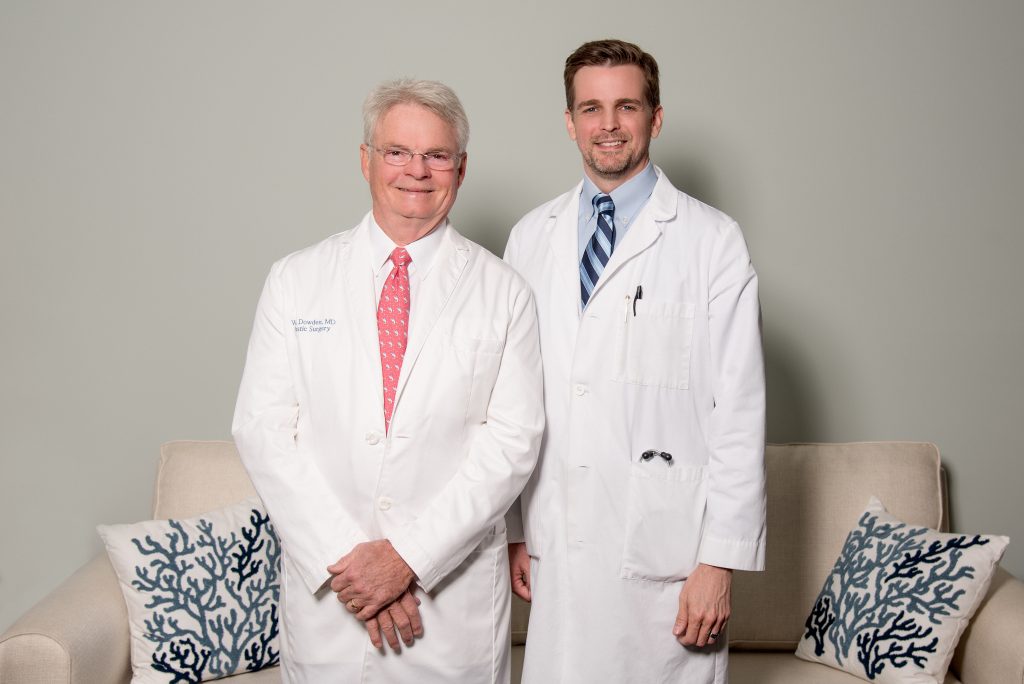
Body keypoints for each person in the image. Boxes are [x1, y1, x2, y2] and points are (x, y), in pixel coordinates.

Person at [232, 79, 544, 683]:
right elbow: (262, 430)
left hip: (447, 605)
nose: (417, 171)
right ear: (366, 159)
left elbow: (513, 443)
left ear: (461, 168)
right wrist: (352, 563)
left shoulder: (505, 292)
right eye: (397, 151)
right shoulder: (295, 280)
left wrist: (408, 558)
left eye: (437, 155)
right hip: (331, 597)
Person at [504, 39, 767, 683]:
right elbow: (510, 396)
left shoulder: (711, 240)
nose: (609, 125)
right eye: (590, 108)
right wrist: (514, 527)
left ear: (655, 115)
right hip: (556, 541)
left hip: (665, 557)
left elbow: (738, 410)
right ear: (570, 122)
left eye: (626, 106)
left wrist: (718, 563)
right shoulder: (529, 237)